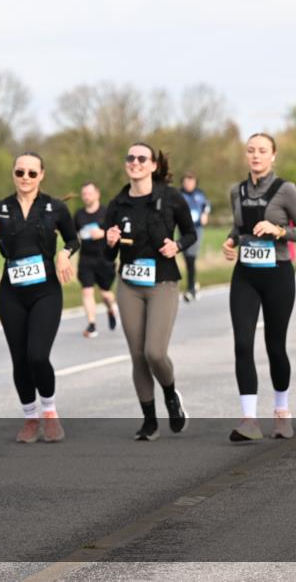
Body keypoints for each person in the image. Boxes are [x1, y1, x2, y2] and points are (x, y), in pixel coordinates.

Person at [0, 153, 77, 443]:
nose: (25, 177)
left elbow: (73, 240)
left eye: (32, 173)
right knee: (20, 360)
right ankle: (30, 418)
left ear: (42, 175)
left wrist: (63, 254)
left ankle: (49, 411)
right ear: (13, 173)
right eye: (20, 171)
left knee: (37, 355)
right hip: (11, 293)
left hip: (46, 290)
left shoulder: (54, 208)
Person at [222, 133, 296, 442]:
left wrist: (279, 230)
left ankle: (282, 411)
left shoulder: (286, 190)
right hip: (245, 275)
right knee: (243, 344)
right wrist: (230, 241)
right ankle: (249, 420)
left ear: (273, 156)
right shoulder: (237, 190)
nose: (256, 156)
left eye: (262, 151)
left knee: (275, 346)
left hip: (277, 274)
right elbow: (238, 226)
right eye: (251, 151)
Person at [104, 143, 195, 441]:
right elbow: (108, 255)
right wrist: (111, 241)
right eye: (130, 157)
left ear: (153, 165)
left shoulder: (170, 198)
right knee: (138, 356)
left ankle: (170, 394)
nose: (135, 162)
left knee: (155, 352)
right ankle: (149, 421)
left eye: (142, 158)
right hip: (129, 283)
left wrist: (177, 245)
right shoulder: (117, 204)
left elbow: (190, 233)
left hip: (162, 282)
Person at [73, 182, 118, 338]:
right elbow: (72, 235)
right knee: (87, 291)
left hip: (105, 258)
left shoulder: (107, 212)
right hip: (86, 259)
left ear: (97, 194)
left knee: (106, 294)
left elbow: (117, 233)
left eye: (89, 193)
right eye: (84, 194)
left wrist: (103, 233)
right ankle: (92, 324)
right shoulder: (79, 215)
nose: (86, 197)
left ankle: (111, 308)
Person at [179, 173, 211, 302]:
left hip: (196, 230)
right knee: (186, 258)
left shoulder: (200, 194)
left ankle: (191, 289)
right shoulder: (179, 194)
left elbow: (207, 206)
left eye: (191, 182)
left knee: (191, 257)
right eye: (186, 182)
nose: (189, 185)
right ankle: (193, 284)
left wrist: (205, 214)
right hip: (183, 230)